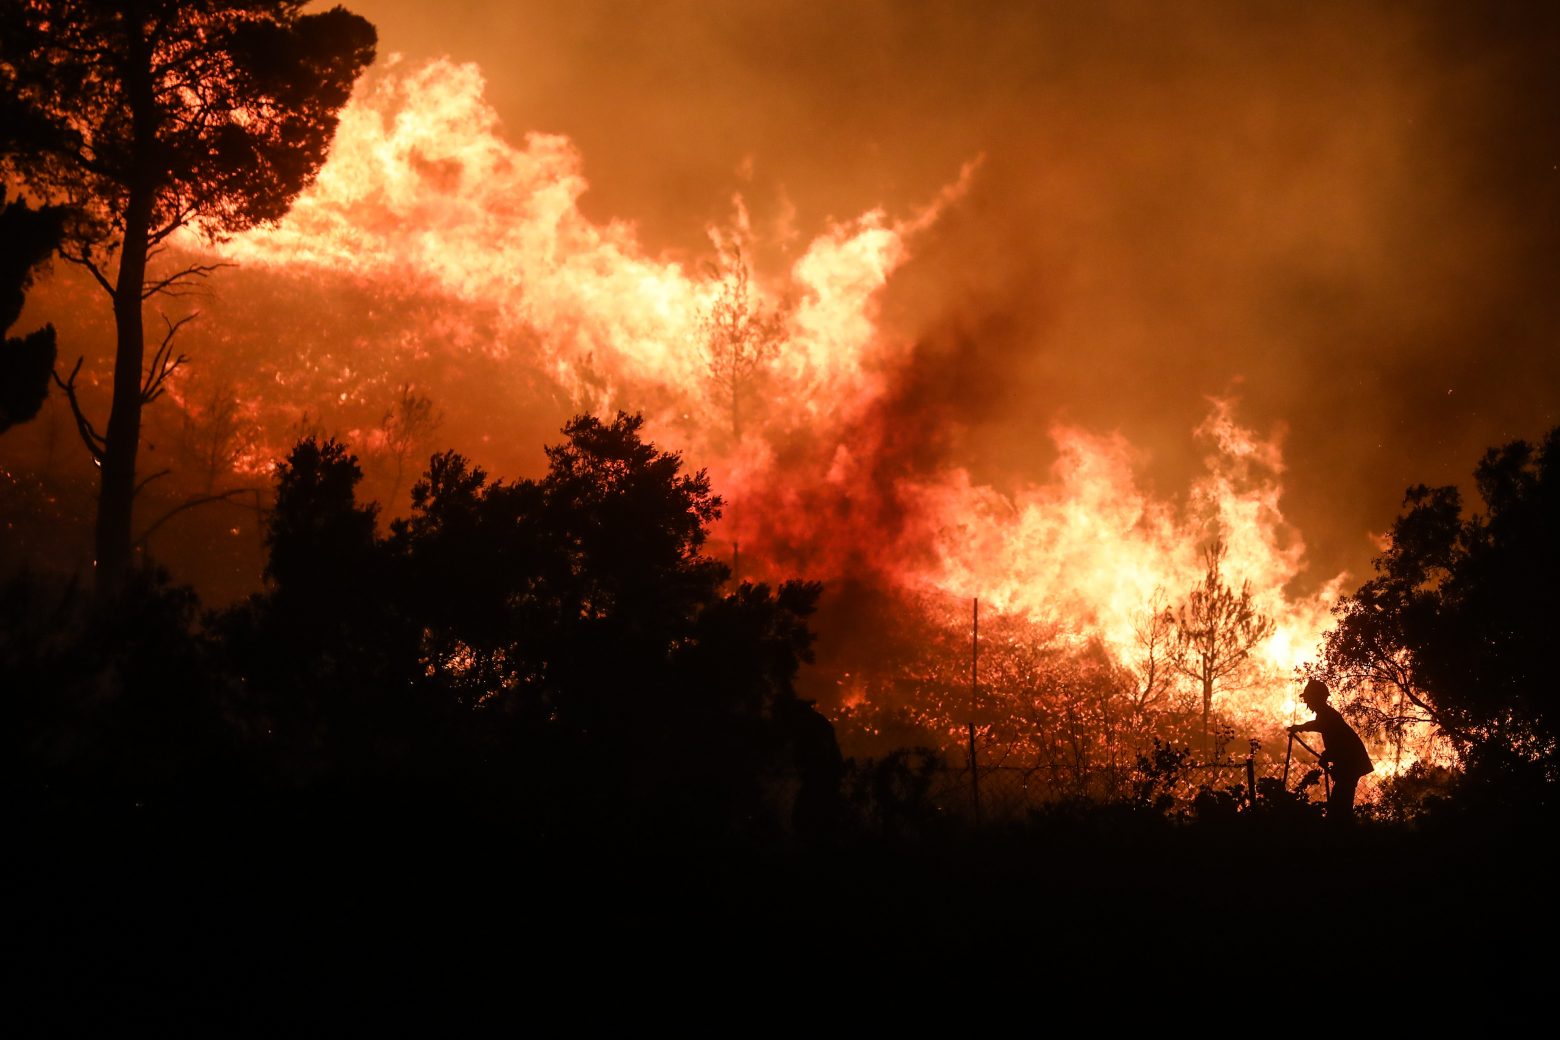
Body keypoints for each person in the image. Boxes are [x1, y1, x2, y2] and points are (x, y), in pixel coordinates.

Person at [1289, 678, 1374, 819]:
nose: (1307, 702)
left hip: (1351, 762)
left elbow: (1335, 739)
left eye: (1309, 698)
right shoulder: (1325, 714)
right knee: (1341, 801)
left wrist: (1301, 728)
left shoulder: (1327, 715)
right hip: (1350, 761)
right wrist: (1327, 756)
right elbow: (1330, 734)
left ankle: (1341, 831)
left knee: (1340, 805)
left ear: (1316, 698)